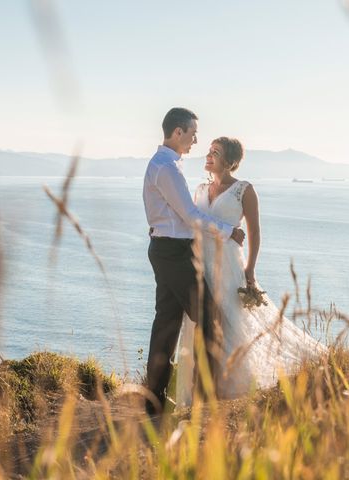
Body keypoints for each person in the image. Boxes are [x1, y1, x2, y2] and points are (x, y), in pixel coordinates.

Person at [175, 137, 325, 404]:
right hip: (199, 264)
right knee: (199, 324)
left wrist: (250, 270)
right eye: (208, 151)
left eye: (215, 153)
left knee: (231, 322)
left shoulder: (244, 190)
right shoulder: (199, 189)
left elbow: (254, 233)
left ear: (230, 161)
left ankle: (232, 389)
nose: (208, 156)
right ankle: (200, 390)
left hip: (229, 264)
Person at [142, 108, 245, 415]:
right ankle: (203, 400)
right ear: (177, 132)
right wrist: (229, 232)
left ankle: (154, 400)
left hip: (167, 249)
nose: (195, 140)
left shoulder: (165, 163)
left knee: (167, 324)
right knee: (211, 320)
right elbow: (191, 215)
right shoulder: (167, 168)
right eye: (192, 134)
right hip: (173, 252)